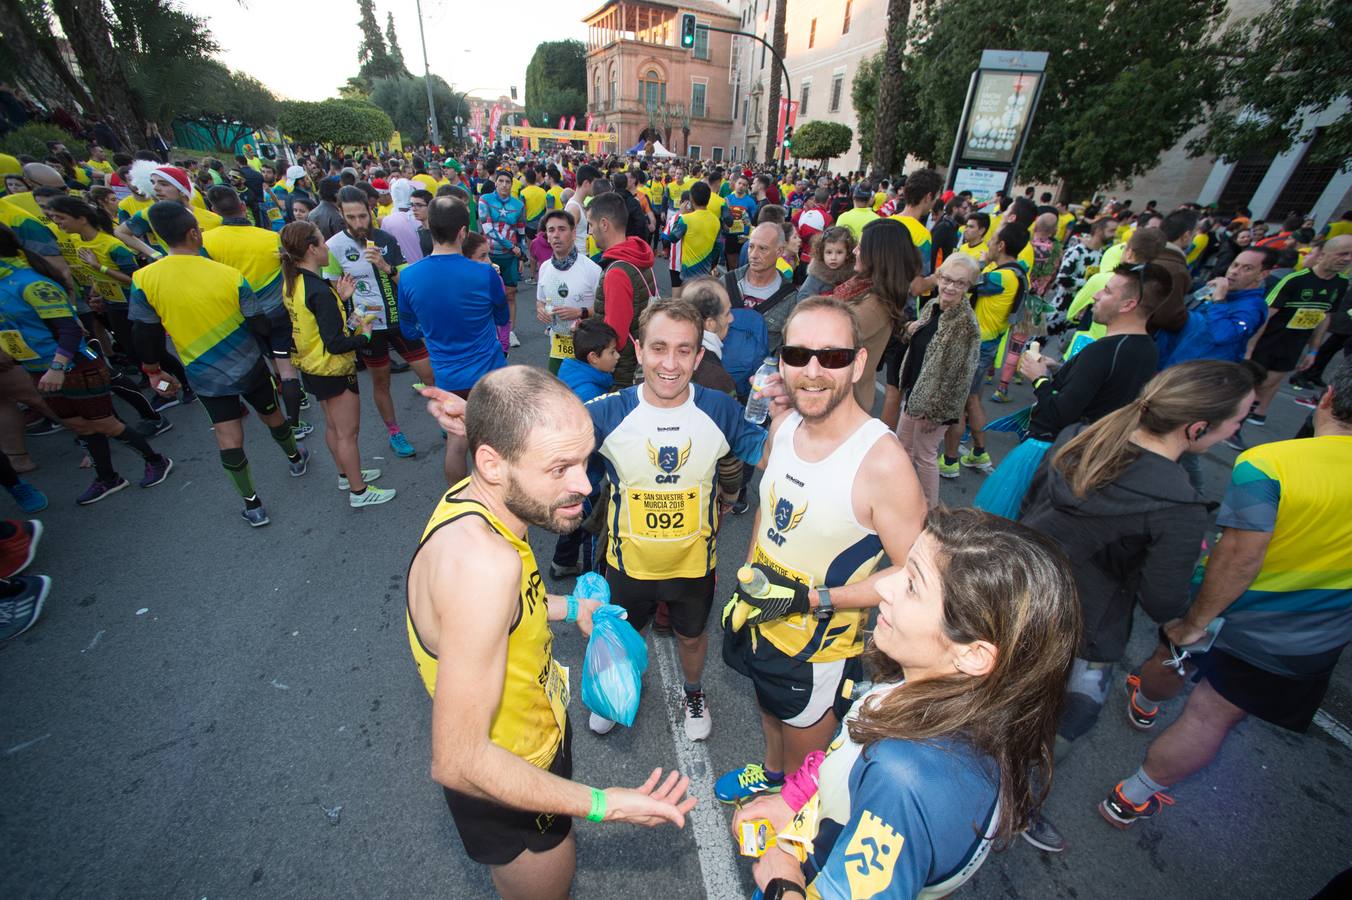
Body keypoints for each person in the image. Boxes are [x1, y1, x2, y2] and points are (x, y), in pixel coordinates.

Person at [405, 366, 697, 900]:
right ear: (492, 464)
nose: (584, 485)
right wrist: (607, 804)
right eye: (560, 467)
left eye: (585, 461)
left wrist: (569, 608)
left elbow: (510, 612)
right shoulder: (483, 567)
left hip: (532, 738)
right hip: (507, 775)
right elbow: (458, 760)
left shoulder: (483, 507)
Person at [733, 508, 1080, 900]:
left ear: (974, 654)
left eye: (913, 584)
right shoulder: (937, 696)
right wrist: (792, 800)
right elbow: (844, 754)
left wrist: (783, 882)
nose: (884, 588)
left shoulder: (904, 780)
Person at [1100, 361, 1352, 830]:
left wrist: (1195, 621)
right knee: (1211, 718)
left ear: (1328, 397)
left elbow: (1239, 554)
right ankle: (1134, 796)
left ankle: (1146, 703)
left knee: (1174, 655)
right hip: (1303, 639)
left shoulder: (1272, 462)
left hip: (1225, 609)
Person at [1018, 360, 1256, 851]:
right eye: (1239, 421)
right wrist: (1191, 622)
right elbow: (1161, 599)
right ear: (1196, 428)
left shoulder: (1080, 436)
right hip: (1084, 632)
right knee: (1065, 721)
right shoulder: (1178, 506)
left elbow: (1029, 509)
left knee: (993, 701)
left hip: (1014, 594)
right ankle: (1012, 802)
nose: (1239, 431)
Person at [717, 295, 926, 804]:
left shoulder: (882, 463)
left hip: (816, 651)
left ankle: (784, 819)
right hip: (758, 617)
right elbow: (769, 506)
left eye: (831, 357)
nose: (812, 371)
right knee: (768, 711)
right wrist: (747, 573)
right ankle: (769, 772)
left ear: (858, 364)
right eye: (797, 355)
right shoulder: (784, 425)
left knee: (802, 777)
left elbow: (914, 576)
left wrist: (812, 600)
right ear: (781, 362)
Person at [585, 298, 770, 740]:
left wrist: (791, 412)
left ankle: (693, 692)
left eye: (684, 350)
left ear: (699, 355)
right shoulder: (607, 412)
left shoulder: (720, 409)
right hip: (627, 565)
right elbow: (541, 442)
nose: (670, 363)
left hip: (692, 568)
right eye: (659, 348)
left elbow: (774, 456)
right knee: (621, 636)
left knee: (691, 638)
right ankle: (616, 691)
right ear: (639, 349)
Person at [131, 201, 306, 526]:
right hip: (249, 364)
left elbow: (144, 331)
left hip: (203, 373)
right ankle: (295, 458)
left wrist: (153, 371)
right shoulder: (230, 276)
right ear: (194, 233)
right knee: (272, 415)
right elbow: (259, 324)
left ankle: (252, 504)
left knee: (227, 436)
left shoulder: (143, 280)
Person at [975, 262, 1168, 518]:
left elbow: (1058, 414)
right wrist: (1061, 370)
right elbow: (1103, 392)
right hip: (1081, 463)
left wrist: (1039, 379)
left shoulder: (1103, 351)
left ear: (1128, 305)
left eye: (1108, 291)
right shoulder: (1146, 348)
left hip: (1048, 456)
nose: (1097, 295)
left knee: (992, 529)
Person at [1, 226, 172, 505]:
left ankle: (156, 457)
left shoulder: (32, 284)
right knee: (79, 425)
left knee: (105, 422)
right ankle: (107, 477)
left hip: (75, 366)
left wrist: (57, 367)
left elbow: (69, 329)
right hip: (38, 369)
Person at [279, 221, 394, 507]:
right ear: (311, 248)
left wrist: (343, 303)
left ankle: (346, 475)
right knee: (347, 433)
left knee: (332, 426)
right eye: (321, 241)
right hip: (332, 368)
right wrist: (364, 335)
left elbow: (318, 326)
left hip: (310, 365)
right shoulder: (318, 289)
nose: (327, 246)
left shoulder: (295, 281)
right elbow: (336, 342)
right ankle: (359, 491)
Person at [399, 199, 510, 485]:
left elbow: (409, 330)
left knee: (456, 443)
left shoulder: (409, 277)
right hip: (488, 373)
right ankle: (499, 509)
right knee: (494, 446)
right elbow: (501, 317)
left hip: (447, 375)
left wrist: (434, 330)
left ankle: (459, 508)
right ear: (463, 232)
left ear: (429, 226)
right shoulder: (484, 273)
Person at [323, 185, 433, 459]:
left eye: (363, 216)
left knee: (429, 373)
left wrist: (385, 266)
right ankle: (394, 431)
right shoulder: (334, 247)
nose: (359, 223)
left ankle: (445, 419)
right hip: (368, 325)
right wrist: (342, 296)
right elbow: (333, 292)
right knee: (381, 382)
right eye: (352, 217)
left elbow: (405, 282)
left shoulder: (386, 238)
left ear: (370, 211)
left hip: (398, 320)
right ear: (341, 215)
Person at [200, 186, 309, 440]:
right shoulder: (270, 237)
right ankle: (294, 420)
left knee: (265, 364)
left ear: (214, 211)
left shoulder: (206, 242)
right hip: (278, 312)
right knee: (287, 367)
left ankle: (284, 413)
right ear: (242, 207)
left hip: (242, 318)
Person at [943, 225, 1030, 477]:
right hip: (990, 342)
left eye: (992, 241)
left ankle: (949, 461)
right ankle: (979, 452)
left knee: (958, 403)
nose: (988, 246)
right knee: (972, 399)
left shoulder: (1001, 277)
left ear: (1001, 246)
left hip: (976, 343)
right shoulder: (1020, 274)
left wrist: (976, 263)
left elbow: (964, 281)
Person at [896, 254, 982, 507]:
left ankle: (928, 510)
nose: (950, 287)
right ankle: (903, 498)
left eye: (960, 283)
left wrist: (939, 413)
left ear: (968, 287)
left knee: (924, 456)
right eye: (946, 279)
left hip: (934, 406)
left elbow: (962, 376)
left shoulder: (965, 324)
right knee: (903, 449)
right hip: (915, 394)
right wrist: (910, 329)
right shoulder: (933, 306)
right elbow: (920, 343)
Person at [1244, 235, 1352, 425]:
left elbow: (1325, 316)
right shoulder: (1294, 280)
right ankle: (1236, 418)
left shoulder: (1341, 283)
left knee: (1272, 382)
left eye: (1351, 255)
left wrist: (1313, 350)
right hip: (1269, 340)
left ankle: (1256, 414)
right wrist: (1250, 347)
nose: (1347, 259)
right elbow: (1266, 314)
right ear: (1323, 254)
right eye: (1342, 253)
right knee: (1252, 382)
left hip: (1295, 344)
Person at [831, 218, 920, 416]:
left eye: (861, 247)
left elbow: (826, 338)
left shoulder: (873, 305)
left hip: (842, 404)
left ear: (877, 256)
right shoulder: (864, 288)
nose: (854, 251)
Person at [588, 191, 658, 390]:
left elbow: (615, 334)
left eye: (591, 224)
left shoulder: (617, 271)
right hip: (639, 356)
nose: (590, 231)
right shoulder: (637, 255)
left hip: (623, 370)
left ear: (604, 224)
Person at [534, 209, 602, 375]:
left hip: (588, 352)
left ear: (573, 233)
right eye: (551, 230)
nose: (556, 235)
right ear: (547, 236)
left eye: (562, 229)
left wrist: (581, 312)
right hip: (557, 348)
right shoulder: (545, 268)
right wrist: (541, 310)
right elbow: (540, 301)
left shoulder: (592, 269)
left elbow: (605, 310)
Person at [479, 170, 526, 348]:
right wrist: (512, 247)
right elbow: (488, 229)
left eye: (508, 181)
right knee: (489, 295)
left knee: (511, 295)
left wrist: (520, 254)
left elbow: (521, 232)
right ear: (496, 182)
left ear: (511, 185)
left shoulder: (518, 205)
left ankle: (510, 331)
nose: (504, 184)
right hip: (489, 255)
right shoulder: (485, 200)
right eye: (501, 181)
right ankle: (491, 331)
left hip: (511, 257)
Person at [664, 181, 721, 289]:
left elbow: (672, 238)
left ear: (692, 199)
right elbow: (718, 248)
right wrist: (710, 266)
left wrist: (680, 213)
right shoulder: (716, 221)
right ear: (708, 199)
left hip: (688, 274)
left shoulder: (685, 219)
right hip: (705, 272)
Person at [796, 227, 855, 300]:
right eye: (829, 252)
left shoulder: (853, 273)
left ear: (848, 254)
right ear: (822, 253)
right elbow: (802, 297)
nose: (833, 257)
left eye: (839, 252)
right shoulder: (817, 275)